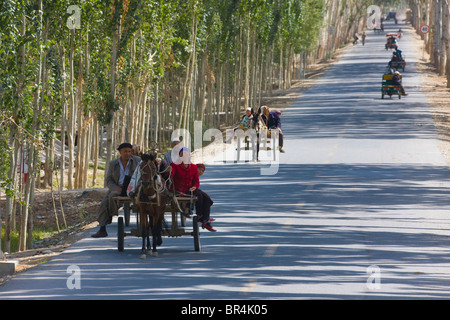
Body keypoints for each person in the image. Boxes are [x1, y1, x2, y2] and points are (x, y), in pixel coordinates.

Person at [91, 143, 141, 238]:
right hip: (118, 187)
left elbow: (142, 176)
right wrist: (115, 187)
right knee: (104, 203)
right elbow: (109, 179)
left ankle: (111, 214)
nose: (127, 153)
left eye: (129, 151)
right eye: (125, 151)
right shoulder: (113, 163)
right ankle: (102, 229)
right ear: (120, 152)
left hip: (133, 188)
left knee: (112, 196)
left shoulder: (137, 161)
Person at [171, 148, 216, 232]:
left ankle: (205, 219)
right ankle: (201, 216)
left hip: (190, 189)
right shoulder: (174, 165)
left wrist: (195, 187)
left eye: (186, 154)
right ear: (180, 156)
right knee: (199, 195)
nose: (184, 156)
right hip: (178, 190)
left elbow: (196, 181)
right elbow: (170, 175)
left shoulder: (194, 167)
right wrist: (169, 171)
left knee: (207, 198)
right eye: (182, 155)